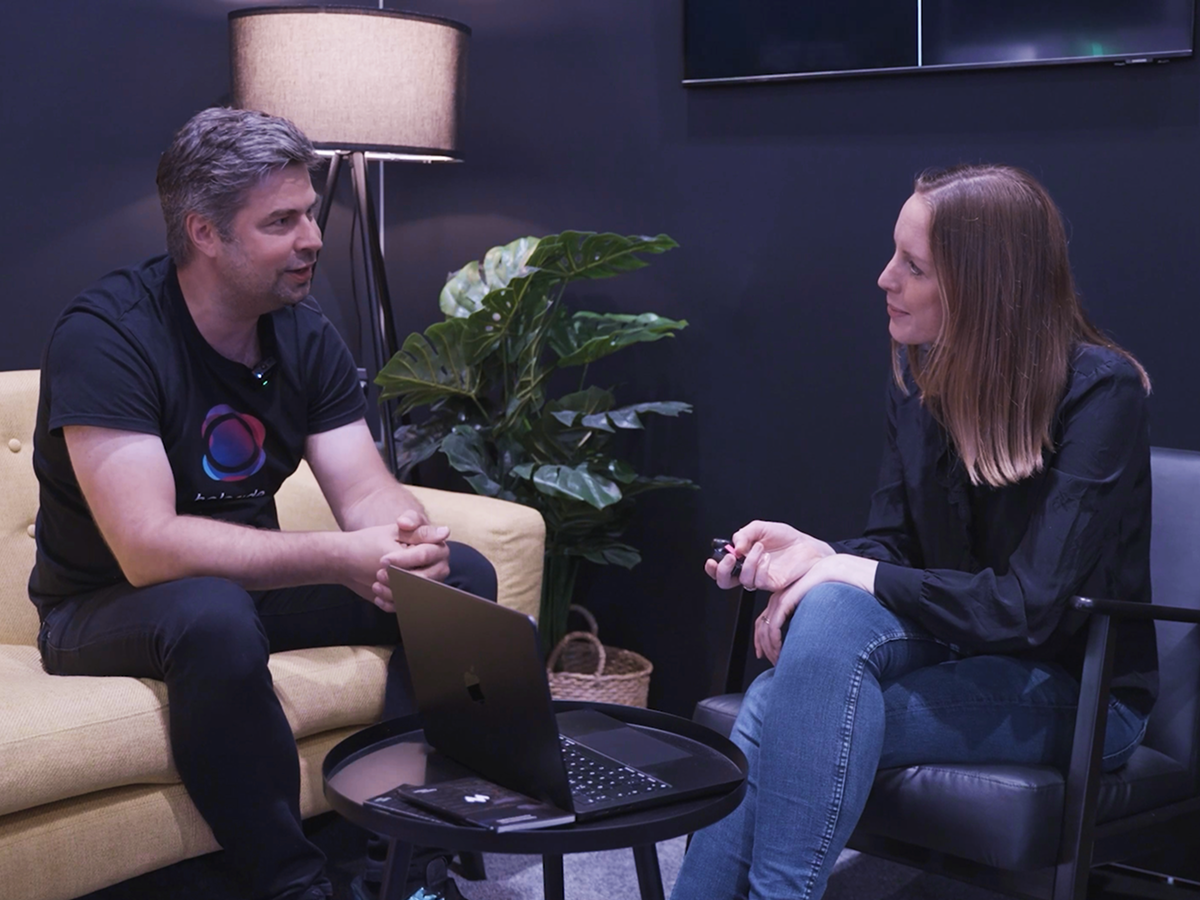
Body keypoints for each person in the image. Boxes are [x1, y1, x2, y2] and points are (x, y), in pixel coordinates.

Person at [30, 108, 495, 900]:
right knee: (210, 613)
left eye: (308, 212)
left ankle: (397, 858)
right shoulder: (110, 336)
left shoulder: (300, 330)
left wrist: (406, 542)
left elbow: (363, 488)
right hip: (102, 607)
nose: (312, 238)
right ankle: (291, 883)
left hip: (237, 594)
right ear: (204, 233)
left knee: (457, 581)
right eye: (281, 222)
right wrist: (338, 557)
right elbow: (147, 547)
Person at [671, 164, 1157, 900]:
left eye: (915, 266)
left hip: (1074, 686)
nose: (884, 278)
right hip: (956, 646)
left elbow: (1027, 610)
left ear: (985, 287)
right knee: (828, 613)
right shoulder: (922, 378)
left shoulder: (1101, 392)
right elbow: (893, 547)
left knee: (779, 708)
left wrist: (846, 570)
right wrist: (818, 558)